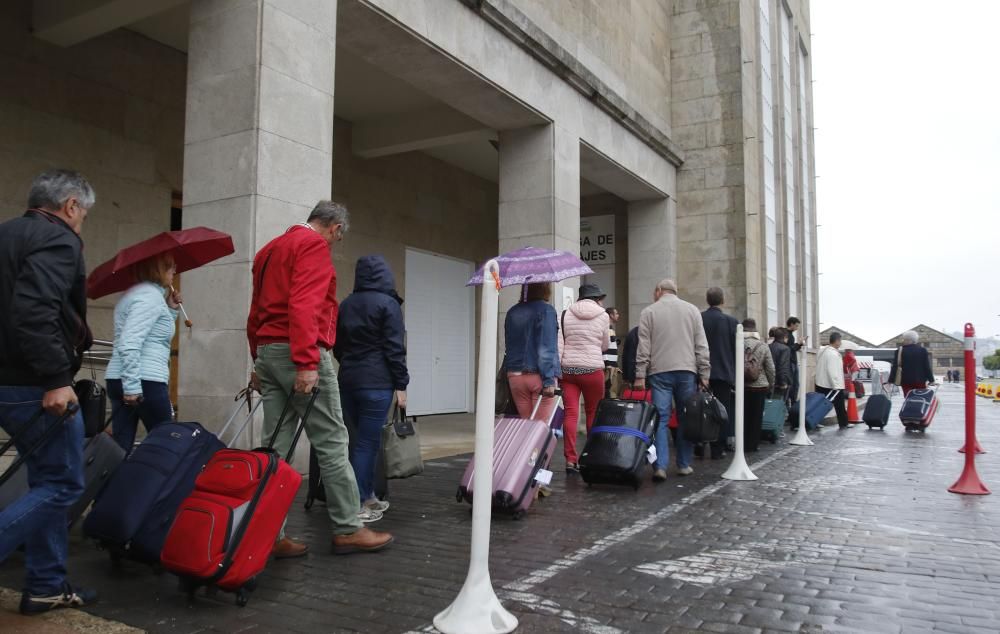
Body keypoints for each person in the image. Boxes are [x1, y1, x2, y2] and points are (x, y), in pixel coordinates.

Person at [247, 201, 392, 557]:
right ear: (335, 228)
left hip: (268, 349)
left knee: (275, 446)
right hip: (299, 350)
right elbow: (304, 305)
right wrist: (307, 362)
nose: (334, 244)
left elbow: (254, 310)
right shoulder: (312, 245)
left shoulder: (269, 249)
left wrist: (257, 360)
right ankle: (347, 527)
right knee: (331, 439)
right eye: (338, 238)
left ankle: (269, 533)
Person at [0, 169, 98, 614]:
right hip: (34, 382)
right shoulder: (58, 240)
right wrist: (57, 379)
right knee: (62, 483)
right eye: (84, 213)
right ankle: (44, 581)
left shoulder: (6, 235)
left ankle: (45, 585)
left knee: (45, 481)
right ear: (71, 205)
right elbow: (35, 309)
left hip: (9, 380)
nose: (82, 223)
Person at [334, 255, 409, 523]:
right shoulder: (388, 304)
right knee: (367, 444)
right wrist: (401, 384)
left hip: (348, 381)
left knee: (359, 443)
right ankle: (357, 504)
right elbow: (394, 349)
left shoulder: (346, 304)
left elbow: (338, 346)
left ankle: (367, 496)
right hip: (377, 383)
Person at [104, 254, 182, 453]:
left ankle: (112, 484)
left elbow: (154, 335)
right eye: (169, 267)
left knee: (120, 447)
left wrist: (170, 310)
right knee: (166, 445)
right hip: (144, 380)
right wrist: (132, 387)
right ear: (156, 269)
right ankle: (156, 484)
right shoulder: (150, 297)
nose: (174, 271)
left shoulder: (136, 294)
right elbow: (129, 342)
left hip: (121, 378)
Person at [634, 279, 710, 480]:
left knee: (660, 419)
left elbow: (644, 347)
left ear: (659, 291)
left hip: (660, 371)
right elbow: (701, 345)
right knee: (687, 417)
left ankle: (660, 466)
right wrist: (704, 373)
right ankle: (684, 464)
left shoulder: (649, 312)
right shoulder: (692, 310)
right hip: (687, 370)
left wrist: (640, 374)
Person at [558, 283, 610, 473]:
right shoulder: (603, 316)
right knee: (593, 413)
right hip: (592, 370)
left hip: (569, 371)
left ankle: (570, 460)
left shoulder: (565, 314)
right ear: (597, 298)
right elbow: (605, 345)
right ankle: (591, 457)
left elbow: (560, 345)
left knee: (571, 414)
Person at [502, 283, 559, 418]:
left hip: (515, 376)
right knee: (539, 428)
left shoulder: (512, 312)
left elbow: (509, 344)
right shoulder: (547, 310)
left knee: (527, 426)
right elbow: (546, 347)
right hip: (539, 376)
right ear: (545, 288)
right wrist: (549, 380)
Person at [701, 287, 738, 459]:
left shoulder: (700, 318)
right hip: (724, 371)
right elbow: (735, 350)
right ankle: (718, 448)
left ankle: (700, 444)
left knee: (701, 408)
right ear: (723, 300)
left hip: (702, 372)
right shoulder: (731, 322)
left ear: (707, 300)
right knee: (723, 411)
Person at [742, 319, 775, 452]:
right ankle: (753, 444)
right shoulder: (763, 346)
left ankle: (741, 443)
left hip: (742, 386)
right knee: (756, 417)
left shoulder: (737, 344)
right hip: (759, 386)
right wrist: (771, 384)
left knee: (743, 415)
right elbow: (770, 369)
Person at [815, 331, 849, 428]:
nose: (841, 343)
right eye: (840, 341)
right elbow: (833, 371)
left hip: (820, 382)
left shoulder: (823, 351)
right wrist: (836, 385)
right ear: (837, 341)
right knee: (840, 406)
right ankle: (843, 423)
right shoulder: (833, 354)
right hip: (831, 385)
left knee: (819, 405)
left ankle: (814, 420)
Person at [888, 330, 934, 396]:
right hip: (920, 380)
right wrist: (931, 380)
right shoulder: (922, 350)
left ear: (909, 340)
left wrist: (891, 380)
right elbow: (926, 366)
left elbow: (895, 366)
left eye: (905, 339)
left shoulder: (900, 351)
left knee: (908, 398)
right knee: (920, 398)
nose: (903, 341)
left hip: (905, 380)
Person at [768, 327, 792, 402]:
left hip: (769, 381)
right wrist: (783, 382)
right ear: (785, 337)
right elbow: (783, 367)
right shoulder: (785, 349)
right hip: (779, 383)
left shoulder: (768, 346)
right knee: (779, 405)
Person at [603, 307, 621, 398]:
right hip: (608, 366)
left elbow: (611, 348)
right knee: (608, 392)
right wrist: (607, 363)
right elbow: (603, 346)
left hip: (612, 366)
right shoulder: (606, 327)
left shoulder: (610, 328)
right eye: (616, 313)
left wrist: (616, 365)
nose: (618, 315)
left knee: (612, 391)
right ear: (611, 315)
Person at [786, 317, 805, 404]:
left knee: (795, 384)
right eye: (796, 326)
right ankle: (792, 402)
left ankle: (792, 402)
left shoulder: (790, 335)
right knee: (793, 385)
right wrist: (799, 344)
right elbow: (789, 349)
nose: (797, 328)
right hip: (790, 363)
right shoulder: (787, 335)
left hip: (793, 362)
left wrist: (799, 344)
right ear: (792, 324)